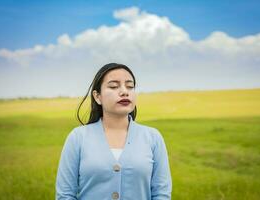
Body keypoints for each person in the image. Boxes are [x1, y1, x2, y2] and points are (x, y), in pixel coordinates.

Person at [55, 63, 172, 200]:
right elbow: (65, 195)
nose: (124, 91)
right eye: (113, 86)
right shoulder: (78, 137)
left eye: (130, 86)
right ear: (98, 97)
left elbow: (161, 194)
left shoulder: (153, 137)